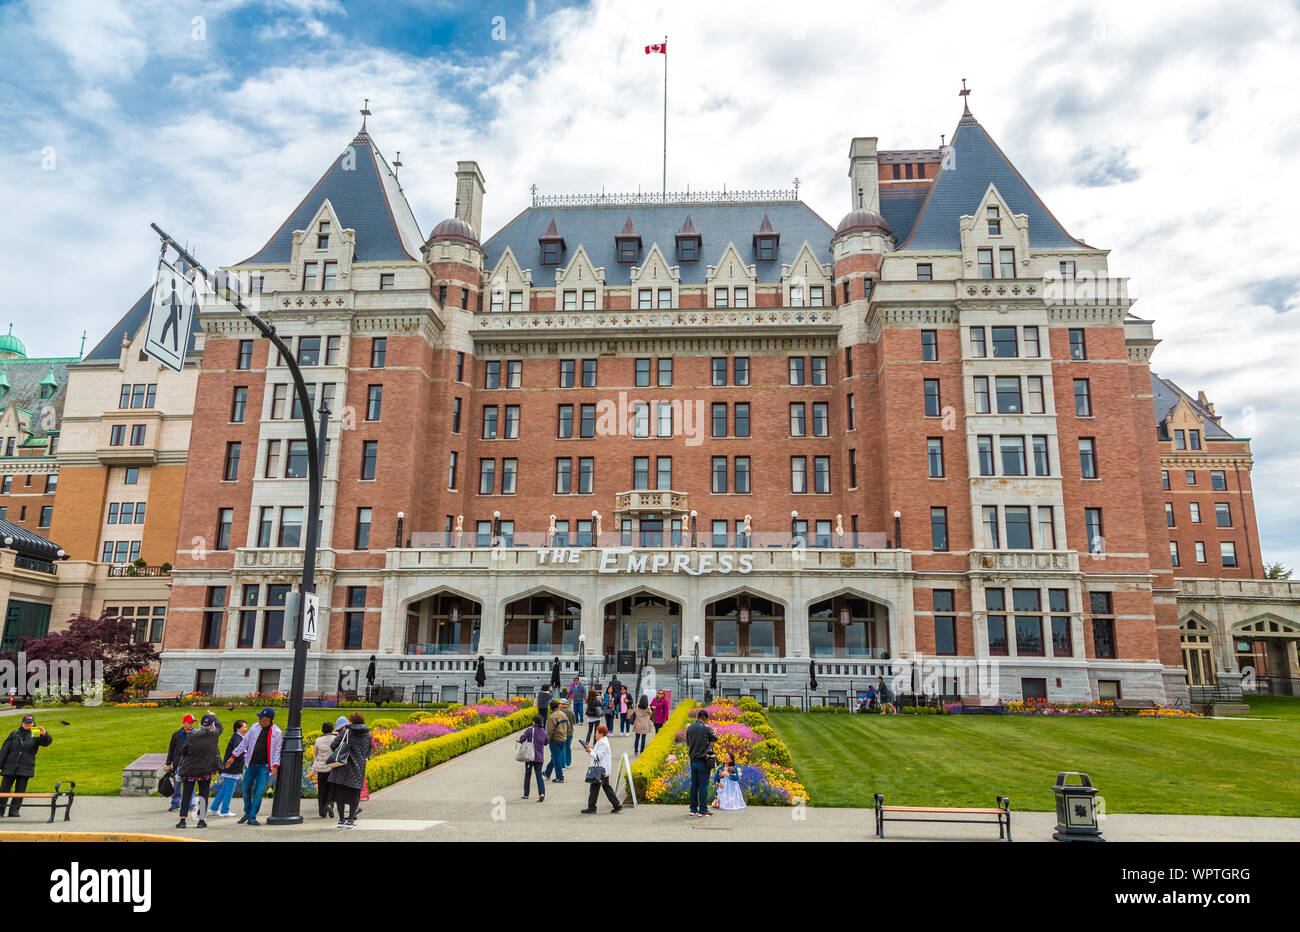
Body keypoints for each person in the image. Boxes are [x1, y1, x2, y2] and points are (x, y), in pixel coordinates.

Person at [227, 707, 283, 825]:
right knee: (245, 789)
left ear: (268, 719)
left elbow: (278, 750)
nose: (259, 719)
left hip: (264, 766)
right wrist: (233, 756)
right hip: (251, 764)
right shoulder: (254, 727)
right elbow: (244, 743)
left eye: (261, 717)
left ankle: (252, 816)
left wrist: (275, 766)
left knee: (258, 792)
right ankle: (247, 812)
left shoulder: (277, 732)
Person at [175, 713, 222, 829]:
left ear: (201, 724)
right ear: (212, 725)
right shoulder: (214, 735)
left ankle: (182, 820)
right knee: (203, 794)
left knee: (186, 794)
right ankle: (201, 820)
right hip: (205, 770)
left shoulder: (192, 736)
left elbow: (184, 751)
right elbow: (220, 727)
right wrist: (214, 716)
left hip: (190, 769)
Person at [0, 714, 52, 817]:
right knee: (4, 789)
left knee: (20, 791)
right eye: (26, 723)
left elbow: (46, 742)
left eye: (30, 723)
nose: (28, 724)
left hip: (25, 767)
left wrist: (44, 734)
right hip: (10, 767)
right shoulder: (14, 734)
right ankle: (0, 810)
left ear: (33, 723)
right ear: (22, 723)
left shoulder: (36, 735)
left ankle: (14, 810)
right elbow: (4, 750)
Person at [327, 712, 372, 828]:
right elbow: (368, 750)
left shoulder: (346, 732)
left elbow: (333, 746)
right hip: (358, 768)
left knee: (340, 795)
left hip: (343, 766)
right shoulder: (367, 735)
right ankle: (351, 820)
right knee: (354, 795)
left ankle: (341, 820)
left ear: (350, 722)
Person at [578, 724, 622, 814]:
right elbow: (597, 753)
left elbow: (598, 756)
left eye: (597, 733)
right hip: (603, 769)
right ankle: (616, 805)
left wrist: (590, 751)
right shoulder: (602, 741)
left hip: (601, 769)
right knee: (605, 787)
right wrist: (590, 749)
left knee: (595, 786)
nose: (595, 734)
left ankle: (592, 807)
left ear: (601, 734)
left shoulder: (603, 743)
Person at [685, 708, 718, 818]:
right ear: (705, 718)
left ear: (697, 717)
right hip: (703, 760)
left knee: (694, 785)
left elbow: (688, 743)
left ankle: (693, 809)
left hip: (693, 760)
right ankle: (703, 810)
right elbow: (715, 738)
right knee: (703, 786)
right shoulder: (706, 728)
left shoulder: (690, 728)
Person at [211, 719, 247, 818]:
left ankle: (213, 808)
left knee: (224, 789)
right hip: (232, 768)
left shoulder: (237, 737)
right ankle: (225, 810)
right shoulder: (237, 739)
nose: (246, 729)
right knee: (229, 789)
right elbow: (238, 751)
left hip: (230, 768)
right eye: (244, 727)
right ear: (238, 729)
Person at [163, 713, 198, 812]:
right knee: (177, 785)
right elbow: (171, 750)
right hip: (178, 764)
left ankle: (191, 805)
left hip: (191, 765)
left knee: (190, 786)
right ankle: (175, 803)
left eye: (192, 723)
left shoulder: (196, 734)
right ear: (184, 723)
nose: (191, 725)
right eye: (190, 723)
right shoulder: (176, 735)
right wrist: (168, 763)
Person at [518, 714, 547, 802]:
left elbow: (522, 739)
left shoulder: (530, 730)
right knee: (539, 776)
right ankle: (541, 793)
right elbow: (546, 742)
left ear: (534, 722)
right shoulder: (543, 731)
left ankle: (526, 794)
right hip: (539, 757)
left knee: (528, 774)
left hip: (530, 757)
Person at [312, 720, 337, 819]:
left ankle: (322, 812)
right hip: (332, 767)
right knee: (332, 789)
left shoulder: (318, 740)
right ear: (332, 729)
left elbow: (315, 753)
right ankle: (330, 804)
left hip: (321, 768)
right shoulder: (335, 739)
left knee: (322, 790)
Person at [541, 700, 569, 783]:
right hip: (563, 738)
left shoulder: (552, 717)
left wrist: (546, 741)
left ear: (550, 707)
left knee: (556, 758)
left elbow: (549, 731)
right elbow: (568, 726)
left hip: (555, 740)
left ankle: (560, 777)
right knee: (554, 757)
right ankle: (547, 773)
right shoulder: (563, 714)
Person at [560, 697, 576, 768]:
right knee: (568, 747)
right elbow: (573, 722)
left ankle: (563, 765)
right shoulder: (571, 711)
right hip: (570, 732)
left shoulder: (560, 712)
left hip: (562, 732)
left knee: (562, 748)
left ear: (562, 704)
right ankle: (568, 763)